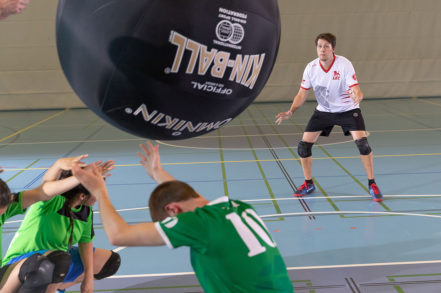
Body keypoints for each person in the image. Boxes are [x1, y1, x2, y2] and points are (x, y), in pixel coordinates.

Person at [72, 141, 294, 293]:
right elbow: (193, 197)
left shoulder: (199, 223)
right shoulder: (237, 207)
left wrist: (99, 190)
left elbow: (118, 235)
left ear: (172, 210)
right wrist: (158, 172)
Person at [275, 32, 383, 201]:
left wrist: (358, 96)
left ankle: (372, 183)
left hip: (348, 109)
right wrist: (291, 111)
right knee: (303, 147)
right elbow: (302, 94)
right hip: (324, 111)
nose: (322, 50)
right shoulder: (311, 68)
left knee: (363, 144)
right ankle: (308, 183)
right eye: (319, 46)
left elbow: (356, 88)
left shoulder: (344, 64)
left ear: (333, 49)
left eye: (326, 46)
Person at [0, 158, 120, 293]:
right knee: (57, 259)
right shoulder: (51, 202)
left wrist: (88, 278)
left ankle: (57, 285)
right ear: (82, 196)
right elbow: (44, 188)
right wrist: (59, 166)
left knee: (110, 262)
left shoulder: (85, 212)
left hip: (53, 261)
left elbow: (85, 241)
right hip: (24, 262)